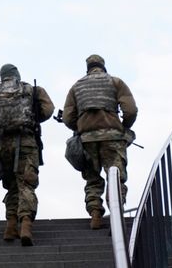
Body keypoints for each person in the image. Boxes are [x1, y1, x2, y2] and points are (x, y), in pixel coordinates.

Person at [0, 64, 54, 246]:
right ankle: (25, 224)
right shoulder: (31, 90)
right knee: (26, 184)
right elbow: (48, 109)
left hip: (1, 146)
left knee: (11, 185)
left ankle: (10, 226)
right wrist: (33, 116)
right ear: (17, 75)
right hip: (26, 141)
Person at [62, 54, 138, 230]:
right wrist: (123, 127)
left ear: (87, 68)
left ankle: (95, 214)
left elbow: (67, 118)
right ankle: (116, 215)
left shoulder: (76, 87)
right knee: (116, 177)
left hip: (87, 139)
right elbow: (131, 110)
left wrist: (81, 126)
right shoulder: (115, 82)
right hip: (112, 138)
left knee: (92, 178)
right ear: (103, 66)